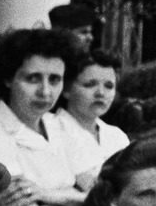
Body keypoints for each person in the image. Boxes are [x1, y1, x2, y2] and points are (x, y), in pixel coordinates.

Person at [0, 28, 85, 206]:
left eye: (54, 80)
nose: (45, 92)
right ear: (8, 78)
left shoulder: (60, 125)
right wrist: (76, 194)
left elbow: (105, 195)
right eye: (33, 79)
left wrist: (48, 195)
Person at [53, 49, 130, 192]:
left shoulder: (117, 136)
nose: (101, 93)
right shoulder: (51, 130)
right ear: (66, 90)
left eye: (109, 86)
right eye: (90, 84)